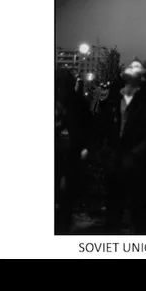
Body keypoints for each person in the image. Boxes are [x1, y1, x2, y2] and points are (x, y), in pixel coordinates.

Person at [102, 59, 146, 234]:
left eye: (137, 67)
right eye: (131, 65)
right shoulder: (113, 98)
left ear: (142, 76)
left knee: (139, 211)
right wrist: (106, 152)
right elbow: (102, 127)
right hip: (114, 162)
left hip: (137, 164)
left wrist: (135, 156)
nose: (132, 68)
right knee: (113, 210)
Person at [55, 68, 92, 234]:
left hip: (70, 150)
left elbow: (87, 126)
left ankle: (61, 223)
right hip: (69, 149)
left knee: (66, 191)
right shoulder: (76, 101)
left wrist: (85, 147)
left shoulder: (75, 102)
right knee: (66, 191)